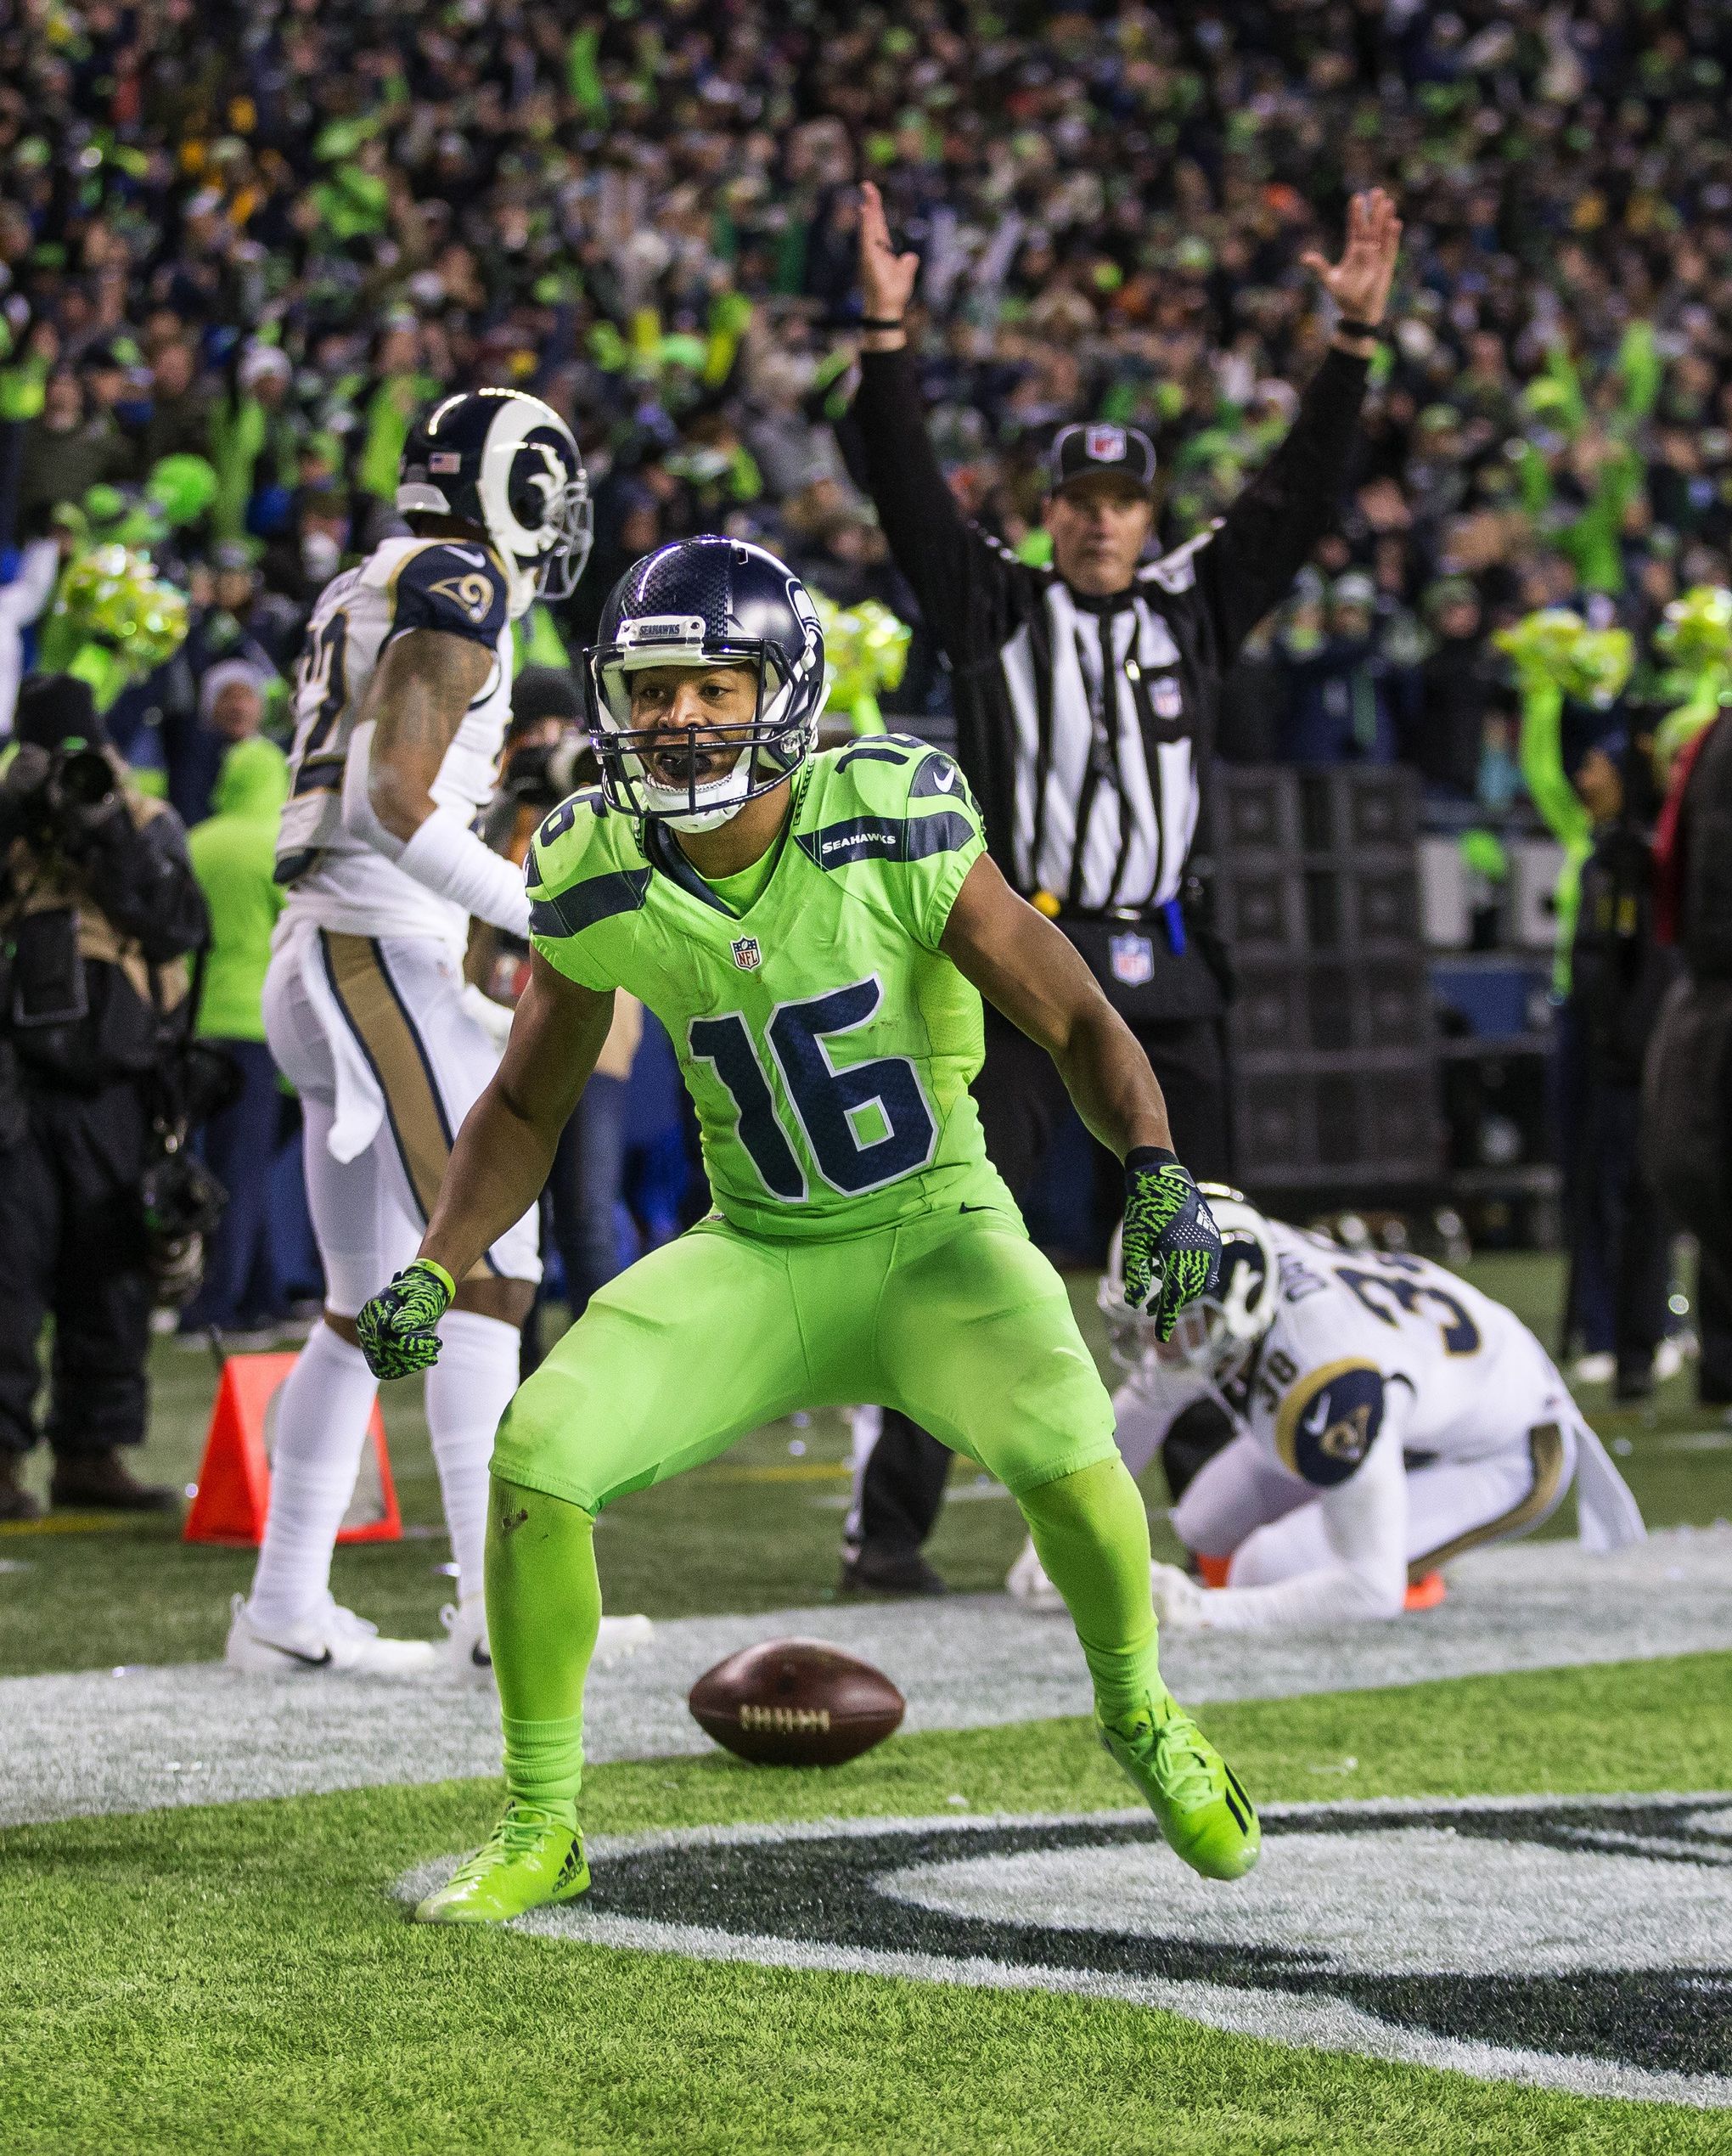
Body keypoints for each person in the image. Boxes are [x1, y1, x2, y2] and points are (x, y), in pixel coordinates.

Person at [355, 535, 1257, 1923]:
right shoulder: (595, 858)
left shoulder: (892, 812)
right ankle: (544, 1818)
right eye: (652, 691)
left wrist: (1153, 1160)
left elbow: (1074, 1013)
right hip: (763, 1248)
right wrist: (435, 1254)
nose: (680, 719)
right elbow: (526, 1101)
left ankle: (1141, 1712)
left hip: (937, 1231)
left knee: (1073, 1462)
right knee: (539, 1451)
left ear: (784, 686)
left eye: (713, 685)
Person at [835, 181, 1402, 1594]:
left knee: (1210, 1253)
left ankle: (1216, 1512)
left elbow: (1295, 500)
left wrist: (1349, 345)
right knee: (972, 1238)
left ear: (1150, 513)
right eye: (1079, 502)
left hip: (1173, 972)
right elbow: (907, 497)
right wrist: (889, 333)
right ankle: (887, 1527)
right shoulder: (994, 607)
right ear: (1049, 514)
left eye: (1122, 501)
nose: (1100, 524)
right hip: (1036, 971)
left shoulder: (1192, 603)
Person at [224, 387, 593, 1678]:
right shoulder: (458, 581)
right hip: (375, 943)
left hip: (336, 943)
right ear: (520, 488)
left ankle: (282, 1608)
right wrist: (539, 902)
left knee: (361, 1301)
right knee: (484, 1267)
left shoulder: (372, 577)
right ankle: (498, 1613)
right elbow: (393, 801)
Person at [1009, 1194, 1645, 1629]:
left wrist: (1201, 1612)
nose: (1154, 1342)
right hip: (1417, 1384)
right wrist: (1059, 1525)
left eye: (1171, 1323)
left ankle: (1411, 1557)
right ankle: (1362, 1517)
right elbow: (1144, 1409)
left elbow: (1368, 1589)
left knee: (1269, 1568)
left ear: (1238, 1303)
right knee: (1204, 1521)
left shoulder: (1330, 1377)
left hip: (1505, 1441)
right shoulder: (1234, 1280)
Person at [0, 673, 210, 1520]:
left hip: (119, 1080)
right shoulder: (9, 820)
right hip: (16, 1080)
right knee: (6, 1279)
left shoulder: (145, 818)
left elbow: (177, 927)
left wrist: (105, 834)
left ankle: (94, 1451)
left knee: (113, 1274)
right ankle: (3, 1458)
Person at [180, 733, 293, 1343]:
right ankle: (218, 1305)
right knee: (245, 1172)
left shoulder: (198, 843)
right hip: (262, 1024)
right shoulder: (279, 845)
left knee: (222, 1165)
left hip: (201, 1026)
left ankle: (261, 1294)